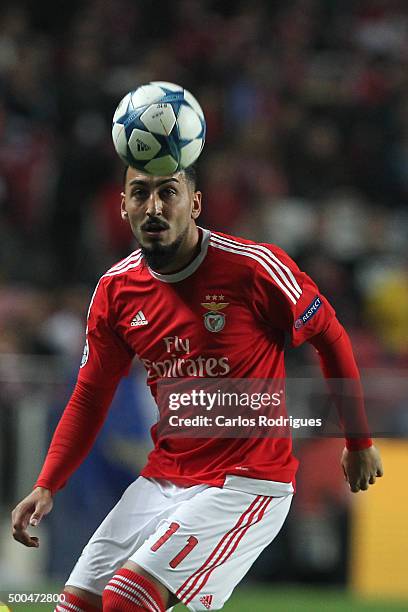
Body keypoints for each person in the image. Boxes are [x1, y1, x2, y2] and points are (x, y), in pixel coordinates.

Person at [12, 165, 383, 612]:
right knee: (74, 606)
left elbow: (330, 336)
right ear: (123, 209)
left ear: (196, 204)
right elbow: (90, 395)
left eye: (169, 192)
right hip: (162, 477)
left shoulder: (255, 268)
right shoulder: (115, 290)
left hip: (246, 484)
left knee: (124, 601)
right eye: (139, 194)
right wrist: (48, 483)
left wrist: (358, 440)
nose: (154, 206)